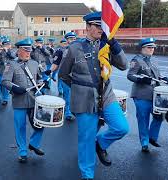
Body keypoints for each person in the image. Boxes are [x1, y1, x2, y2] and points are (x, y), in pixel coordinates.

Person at [59, 11, 129, 180]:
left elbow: (124, 65)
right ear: (88, 27)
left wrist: (114, 44)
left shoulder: (106, 45)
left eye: (102, 26)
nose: (101, 30)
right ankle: (87, 174)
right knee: (86, 138)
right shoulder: (74, 48)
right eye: (98, 26)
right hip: (84, 98)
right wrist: (79, 88)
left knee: (122, 127)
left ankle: (100, 144)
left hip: (106, 94)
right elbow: (63, 74)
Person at [1, 38, 46, 163]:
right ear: (19, 50)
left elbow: (40, 78)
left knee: (41, 124)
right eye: (25, 50)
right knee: (20, 127)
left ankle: (34, 143)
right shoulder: (11, 64)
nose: (28, 53)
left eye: (29, 50)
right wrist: (16, 88)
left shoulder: (34, 64)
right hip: (19, 101)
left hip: (33, 101)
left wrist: (42, 83)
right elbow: (5, 81)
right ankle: (22, 151)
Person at [127, 37, 168, 152]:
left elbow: (156, 75)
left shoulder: (154, 60)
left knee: (159, 116)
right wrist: (141, 79)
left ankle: (152, 137)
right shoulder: (136, 60)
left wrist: (163, 78)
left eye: (153, 48)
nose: (152, 49)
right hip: (141, 95)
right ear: (142, 48)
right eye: (149, 47)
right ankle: (144, 142)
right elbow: (130, 75)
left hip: (155, 95)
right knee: (143, 119)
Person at [45, 32, 77, 122]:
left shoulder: (81, 50)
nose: (73, 40)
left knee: (78, 95)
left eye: (74, 39)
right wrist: (50, 70)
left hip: (78, 77)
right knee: (68, 95)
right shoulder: (60, 51)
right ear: (67, 40)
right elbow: (56, 63)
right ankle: (68, 112)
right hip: (66, 78)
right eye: (71, 39)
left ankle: (75, 110)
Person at [0, 38, 16, 105]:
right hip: (0, 70)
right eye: (6, 45)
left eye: (8, 44)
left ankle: (5, 99)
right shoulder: (0, 51)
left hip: (8, 71)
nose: (7, 46)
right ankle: (0, 97)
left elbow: (14, 57)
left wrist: (7, 51)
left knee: (5, 85)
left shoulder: (12, 51)